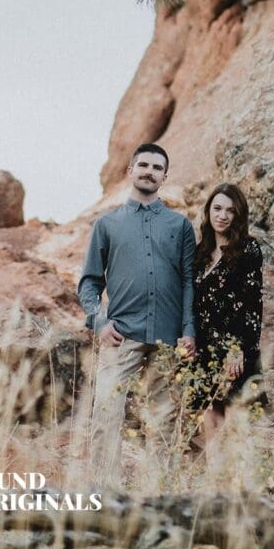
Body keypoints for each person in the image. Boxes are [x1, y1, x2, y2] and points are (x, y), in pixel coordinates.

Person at [77, 143, 196, 488]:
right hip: (121, 334)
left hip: (168, 337)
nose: (149, 171)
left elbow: (189, 280)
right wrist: (99, 320)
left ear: (165, 176)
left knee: (164, 419)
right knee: (106, 413)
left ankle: (160, 493)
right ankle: (104, 494)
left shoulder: (180, 226)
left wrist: (188, 330)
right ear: (129, 172)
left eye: (157, 167)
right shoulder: (107, 225)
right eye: (142, 165)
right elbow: (89, 282)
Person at [193, 183, 263, 457]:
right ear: (208, 211)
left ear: (238, 215)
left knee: (236, 431)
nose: (222, 215)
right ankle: (216, 493)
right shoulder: (199, 253)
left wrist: (238, 349)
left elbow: (252, 305)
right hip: (204, 351)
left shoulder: (248, 249)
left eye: (230, 211)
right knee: (212, 432)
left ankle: (240, 495)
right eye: (217, 208)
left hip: (237, 353)